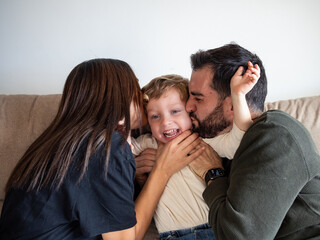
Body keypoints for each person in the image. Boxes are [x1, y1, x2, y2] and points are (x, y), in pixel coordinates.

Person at [0, 58, 204, 240]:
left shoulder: (63, 141)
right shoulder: (108, 145)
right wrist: (162, 170)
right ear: (118, 96)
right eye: (135, 88)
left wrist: (133, 176)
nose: (143, 97)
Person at [187, 43, 320, 239]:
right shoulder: (226, 143)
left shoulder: (276, 135)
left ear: (232, 106)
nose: (188, 106)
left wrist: (213, 174)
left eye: (197, 99)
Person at [132, 63, 259, 240]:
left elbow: (240, 141)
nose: (165, 122)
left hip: (213, 230)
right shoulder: (146, 144)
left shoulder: (203, 141)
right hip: (171, 236)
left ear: (191, 112)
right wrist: (134, 166)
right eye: (155, 116)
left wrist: (238, 95)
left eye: (175, 111)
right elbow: (118, 152)